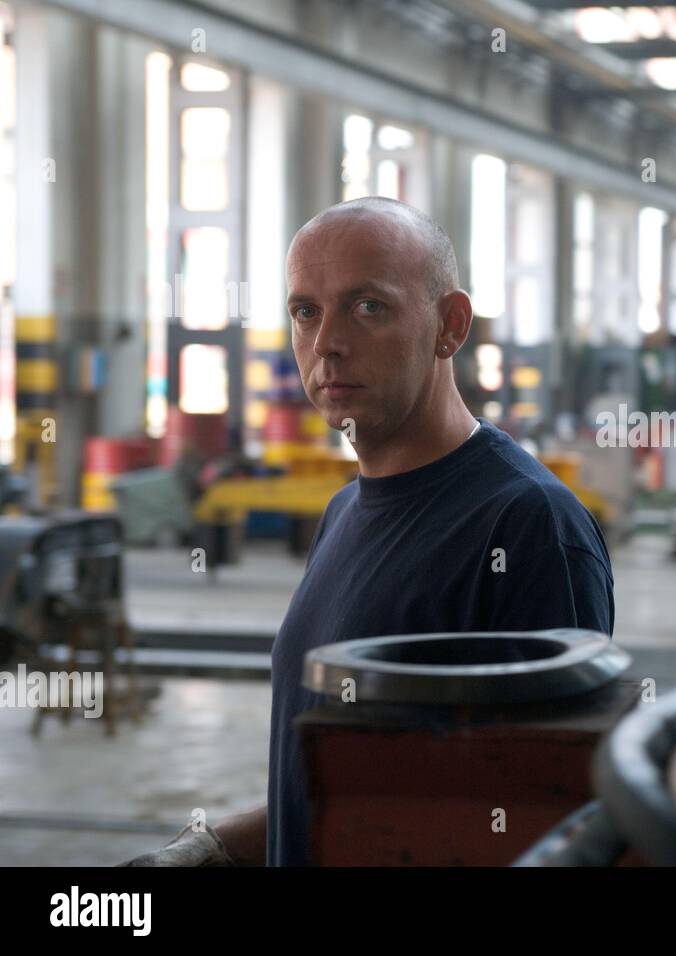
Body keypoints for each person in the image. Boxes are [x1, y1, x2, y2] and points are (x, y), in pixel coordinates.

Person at [125, 197, 614, 867]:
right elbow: (357, 787)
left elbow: (541, 820)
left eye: (369, 307)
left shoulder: (529, 527)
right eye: (306, 312)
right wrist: (220, 847)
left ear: (450, 326)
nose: (327, 342)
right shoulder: (344, 512)